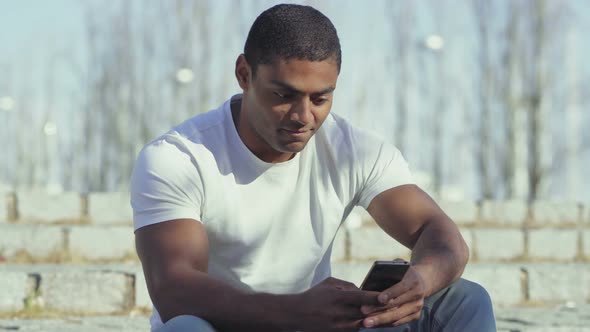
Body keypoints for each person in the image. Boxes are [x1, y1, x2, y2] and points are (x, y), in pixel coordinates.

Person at [131, 3, 496, 332]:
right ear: (244, 73)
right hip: (228, 325)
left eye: (320, 98)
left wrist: (419, 281)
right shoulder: (178, 157)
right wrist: (294, 313)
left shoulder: (353, 150)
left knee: (463, 299)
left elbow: (440, 234)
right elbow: (174, 289)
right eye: (283, 96)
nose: (304, 116)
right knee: (186, 329)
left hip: (317, 325)